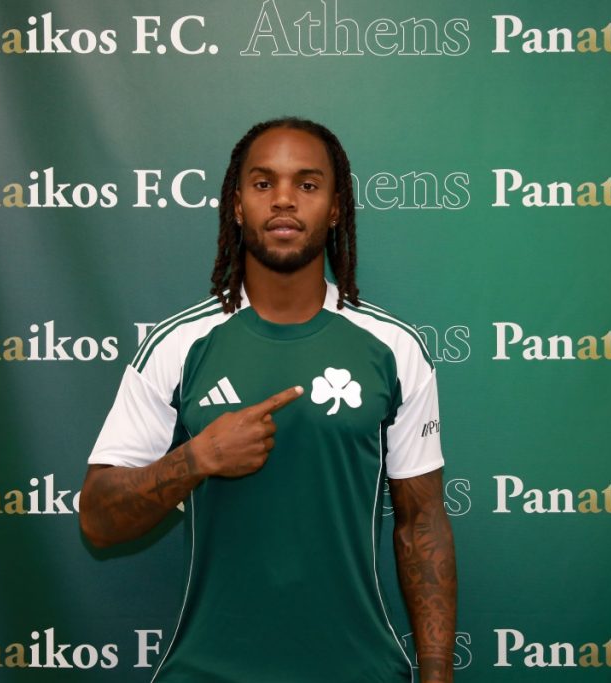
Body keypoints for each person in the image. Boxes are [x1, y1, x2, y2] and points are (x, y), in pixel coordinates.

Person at [80, 117, 457, 683]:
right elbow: (97, 521)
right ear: (237, 206)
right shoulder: (178, 345)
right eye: (263, 183)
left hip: (359, 672)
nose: (284, 199)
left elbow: (421, 523)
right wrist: (198, 458)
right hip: (207, 673)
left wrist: (437, 675)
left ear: (336, 208)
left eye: (307, 184)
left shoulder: (395, 348)